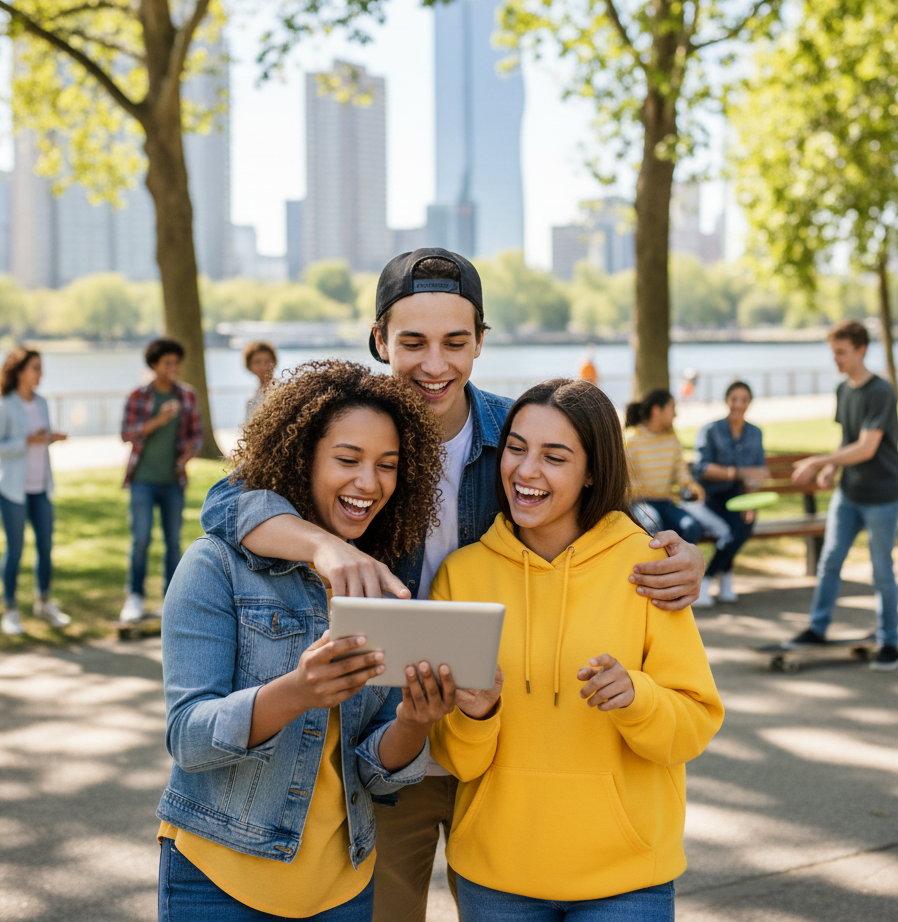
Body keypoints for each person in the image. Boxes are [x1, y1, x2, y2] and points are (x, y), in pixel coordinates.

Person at [199, 248, 707, 922]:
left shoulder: (517, 433)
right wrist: (322, 545)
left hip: (504, 751)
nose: (434, 364)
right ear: (379, 339)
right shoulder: (358, 428)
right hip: (391, 748)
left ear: (479, 343)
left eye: (455, 342)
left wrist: (683, 553)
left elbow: (606, 521)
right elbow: (226, 505)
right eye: (412, 341)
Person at [157, 360, 458, 921]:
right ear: (302, 458)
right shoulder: (215, 566)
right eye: (348, 460)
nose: (369, 483)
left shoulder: (384, 587)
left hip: (343, 890)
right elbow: (188, 740)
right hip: (219, 881)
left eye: (387, 466)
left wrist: (415, 722)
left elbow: (372, 766)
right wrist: (296, 691)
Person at [427, 379, 724, 920]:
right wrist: (477, 714)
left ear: (592, 471)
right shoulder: (462, 576)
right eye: (515, 448)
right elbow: (456, 759)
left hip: (627, 880)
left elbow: (694, 725)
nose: (526, 471)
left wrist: (638, 696)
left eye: (554, 457)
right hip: (497, 878)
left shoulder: (648, 567)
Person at [787, 320, 898, 671]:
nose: (835, 359)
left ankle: (890, 644)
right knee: (830, 562)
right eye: (833, 352)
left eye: (841, 352)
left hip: (883, 495)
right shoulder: (844, 390)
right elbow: (848, 438)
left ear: (861, 350)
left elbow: (868, 447)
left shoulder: (881, 392)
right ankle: (817, 628)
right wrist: (832, 469)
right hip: (850, 493)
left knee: (882, 570)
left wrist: (819, 460)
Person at [119, 338, 203, 623]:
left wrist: (187, 456)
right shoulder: (139, 396)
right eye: (167, 363)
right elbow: (127, 434)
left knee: (173, 542)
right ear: (154, 365)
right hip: (142, 479)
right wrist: (159, 420)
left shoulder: (187, 396)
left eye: (176, 363)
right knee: (140, 539)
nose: (173, 368)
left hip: (172, 481)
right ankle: (135, 596)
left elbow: (197, 436)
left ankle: (171, 599)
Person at [0, 348, 70, 636]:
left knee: (46, 548)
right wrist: (27, 440)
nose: (40, 373)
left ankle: (44, 603)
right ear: (20, 371)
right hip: (12, 490)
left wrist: (50, 438)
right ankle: (10, 610)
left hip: (40, 488)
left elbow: (39, 439)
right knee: (15, 550)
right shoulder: (5, 406)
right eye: (35, 367)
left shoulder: (43, 403)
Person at [624, 391, 732, 579]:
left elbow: (680, 472)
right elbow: (622, 480)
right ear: (657, 411)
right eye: (672, 408)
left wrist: (692, 487)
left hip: (665, 501)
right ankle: (655, 576)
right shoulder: (631, 439)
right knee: (652, 522)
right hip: (639, 502)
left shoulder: (671, 439)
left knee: (691, 526)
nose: (676, 414)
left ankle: (676, 573)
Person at [691, 381, 770, 606]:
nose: (739, 404)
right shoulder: (711, 430)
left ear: (749, 403)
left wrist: (750, 500)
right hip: (711, 497)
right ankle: (708, 580)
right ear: (727, 401)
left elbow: (760, 471)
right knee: (730, 531)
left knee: (744, 525)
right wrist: (738, 472)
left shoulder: (755, 433)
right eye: (735, 399)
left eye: (744, 399)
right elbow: (702, 468)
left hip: (740, 496)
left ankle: (718, 576)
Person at [243, 340, 277, 421]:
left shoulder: (286, 390)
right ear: (249, 366)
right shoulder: (251, 399)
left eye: (267, 361)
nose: (263, 366)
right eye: (257, 362)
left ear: (274, 362)